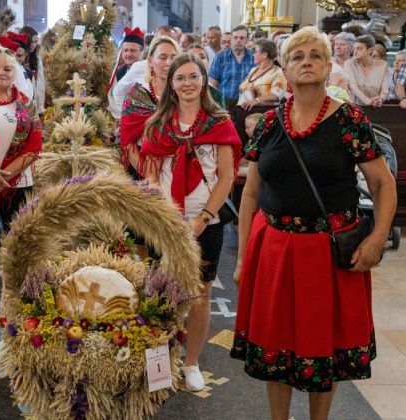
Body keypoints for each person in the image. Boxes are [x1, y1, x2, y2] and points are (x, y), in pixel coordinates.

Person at [230, 26, 396, 420]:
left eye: (315, 55)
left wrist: (376, 238)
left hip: (328, 252)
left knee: (326, 348)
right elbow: (251, 195)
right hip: (273, 249)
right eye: (297, 56)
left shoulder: (349, 121)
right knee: (276, 345)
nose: (306, 62)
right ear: (284, 69)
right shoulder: (268, 124)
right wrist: (242, 257)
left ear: (327, 66)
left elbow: (382, 184)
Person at [140, 54, 241, 392]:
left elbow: (226, 177)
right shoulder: (158, 125)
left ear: (203, 80)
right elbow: (150, 177)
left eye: (193, 76)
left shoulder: (218, 123)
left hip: (205, 223)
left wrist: (203, 219)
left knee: (199, 294)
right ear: (171, 84)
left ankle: (191, 361)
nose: (187, 83)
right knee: (159, 294)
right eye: (179, 77)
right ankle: (159, 363)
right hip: (166, 224)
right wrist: (164, 216)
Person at [0, 47, 42, 289]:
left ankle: (14, 286)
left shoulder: (26, 106)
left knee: (14, 238)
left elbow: (34, 148)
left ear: (15, 73)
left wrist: (2, 175)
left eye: (7, 69)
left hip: (16, 182)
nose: (1, 73)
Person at [119, 36, 179, 177]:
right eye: (163, 57)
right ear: (151, 61)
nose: (169, 63)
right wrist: (147, 173)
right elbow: (127, 142)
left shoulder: (184, 94)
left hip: (179, 170)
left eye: (173, 57)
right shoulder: (136, 95)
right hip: (144, 168)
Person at [109, 25, 179, 120]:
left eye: (171, 40)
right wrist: (124, 117)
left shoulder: (183, 70)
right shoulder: (140, 67)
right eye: (161, 39)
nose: (166, 44)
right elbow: (118, 92)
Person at [209, 25, 255, 100]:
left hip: (247, 104)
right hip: (225, 103)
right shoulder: (220, 57)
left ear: (247, 40)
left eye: (242, 38)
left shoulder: (253, 58)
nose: (238, 40)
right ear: (231, 39)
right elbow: (212, 86)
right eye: (235, 37)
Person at [238, 38, 286, 110]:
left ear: (264, 54)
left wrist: (256, 100)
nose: (253, 55)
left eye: (255, 52)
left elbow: (277, 95)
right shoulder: (253, 70)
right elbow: (243, 89)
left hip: (264, 114)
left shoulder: (278, 72)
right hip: (244, 111)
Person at [344, 35, 389, 107]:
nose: (355, 52)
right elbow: (353, 86)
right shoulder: (349, 64)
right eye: (354, 49)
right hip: (355, 108)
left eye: (359, 49)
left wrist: (381, 99)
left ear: (370, 50)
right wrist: (367, 101)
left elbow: (385, 88)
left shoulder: (383, 65)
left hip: (376, 107)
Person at [20, 25, 46, 113]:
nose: (34, 45)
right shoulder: (14, 57)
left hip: (33, 104)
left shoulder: (37, 60)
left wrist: (40, 107)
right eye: (32, 41)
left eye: (36, 42)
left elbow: (40, 85)